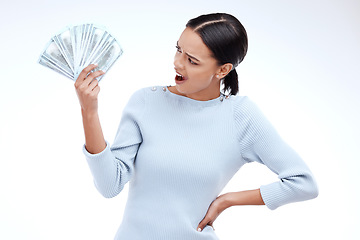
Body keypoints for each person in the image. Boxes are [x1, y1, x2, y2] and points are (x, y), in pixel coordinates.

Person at [74, 13, 318, 240]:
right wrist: (89, 111)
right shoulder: (145, 101)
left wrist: (227, 201)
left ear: (223, 70)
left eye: (191, 60)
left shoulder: (240, 116)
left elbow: (302, 183)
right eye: (178, 50)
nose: (177, 63)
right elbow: (109, 185)